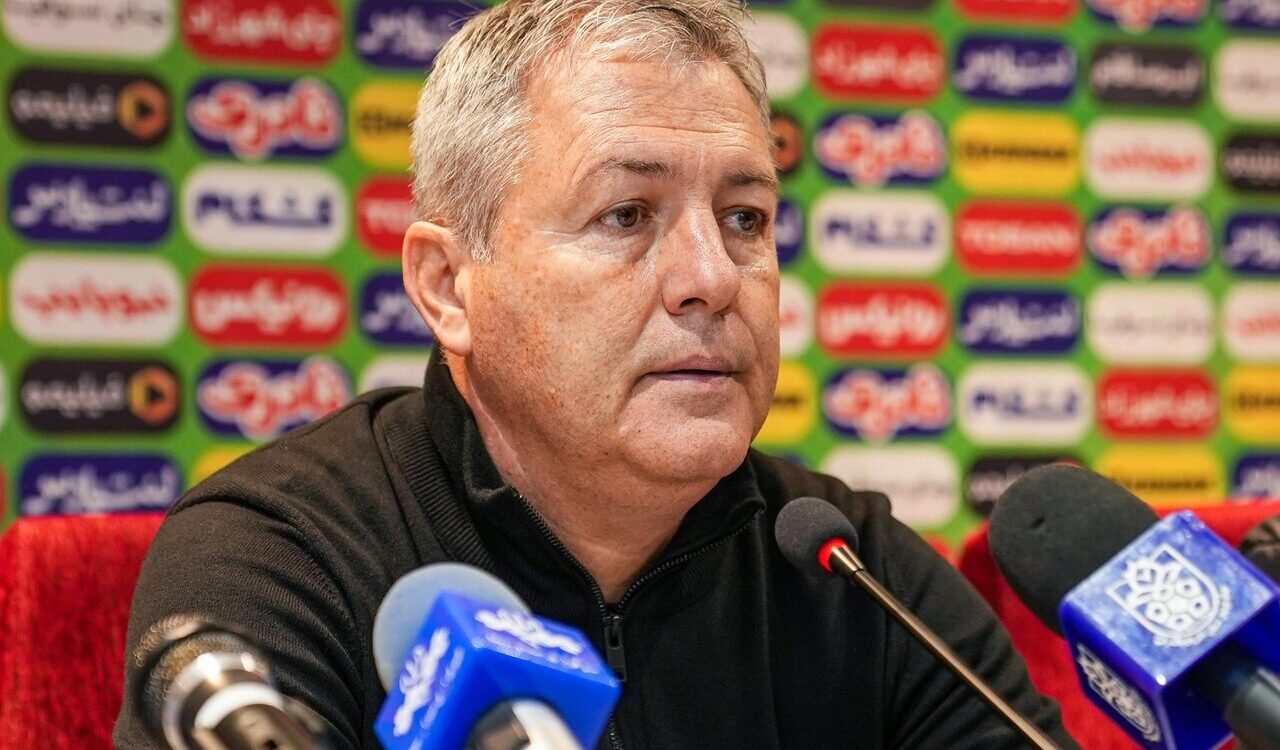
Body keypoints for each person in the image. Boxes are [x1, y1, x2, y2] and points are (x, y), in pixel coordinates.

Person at [115, 1, 1079, 747]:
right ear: (448, 287)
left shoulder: (846, 567)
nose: (712, 277)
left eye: (744, 219)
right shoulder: (281, 559)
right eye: (627, 215)